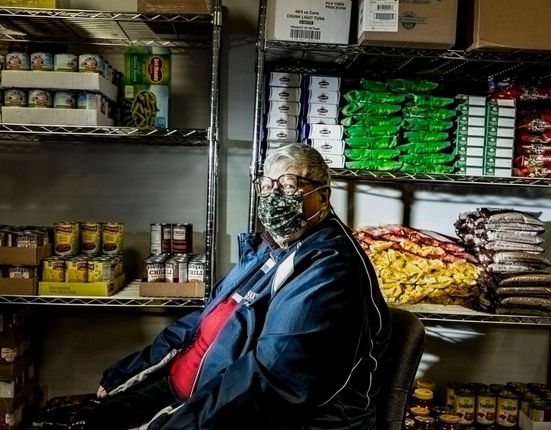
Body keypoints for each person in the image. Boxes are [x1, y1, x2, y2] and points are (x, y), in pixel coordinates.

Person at [86, 143, 392, 430]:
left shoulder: (330, 270)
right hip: (195, 388)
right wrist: (128, 372)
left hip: (286, 418)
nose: (274, 197)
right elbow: (205, 321)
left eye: (288, 185)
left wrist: (170, 425)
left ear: (323, 198)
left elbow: (271, 380)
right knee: (100, 419)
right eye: (268, 186)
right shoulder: (274, 247)